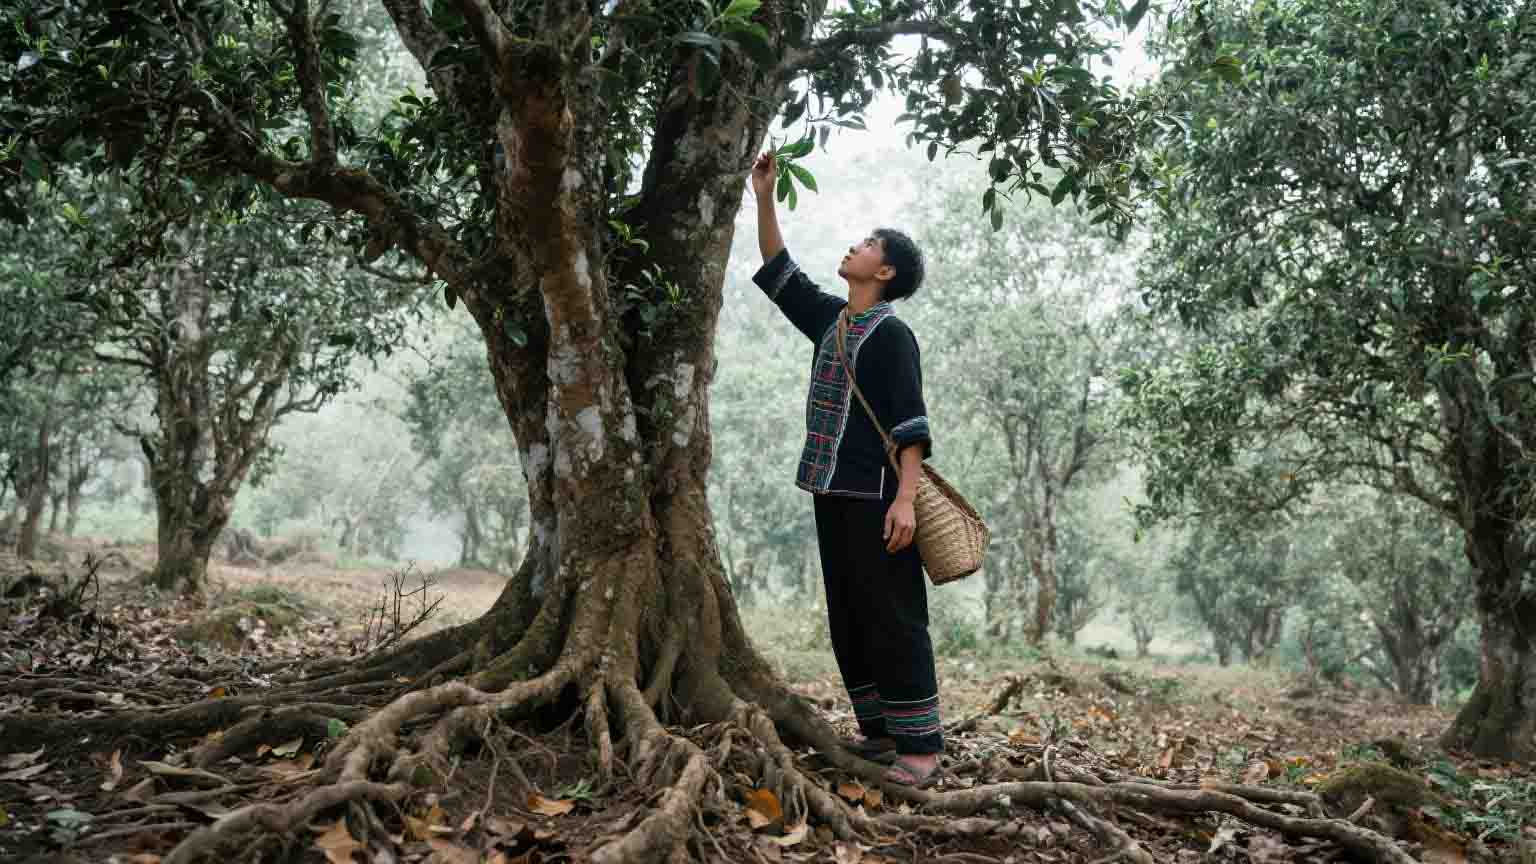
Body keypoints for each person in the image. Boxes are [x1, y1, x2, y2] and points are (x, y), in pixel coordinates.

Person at [747, 151, 943, 787]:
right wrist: (765, 194)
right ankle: (879, 733)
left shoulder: (893, 336)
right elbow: (780, 273)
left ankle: (922, 748)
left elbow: (911, 427)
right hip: (829, 491)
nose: (853, 247)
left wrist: (906, 502)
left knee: (893, 613)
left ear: (883, 271)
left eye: (866, 245)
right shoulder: (831, 321)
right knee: (849, 613)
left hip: (880, 496)